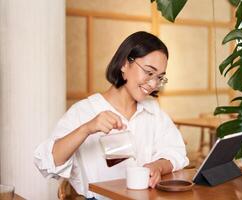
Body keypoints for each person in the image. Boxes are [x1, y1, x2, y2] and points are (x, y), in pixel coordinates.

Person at [34, 31, 189, 199]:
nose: (153, 84)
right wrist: (87, 128)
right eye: (148, 72)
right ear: (124, 64)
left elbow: (176, 153)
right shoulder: (85, 111)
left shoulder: (153, 111)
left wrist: (158, 166)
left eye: (159, 77)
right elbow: (47, 162)